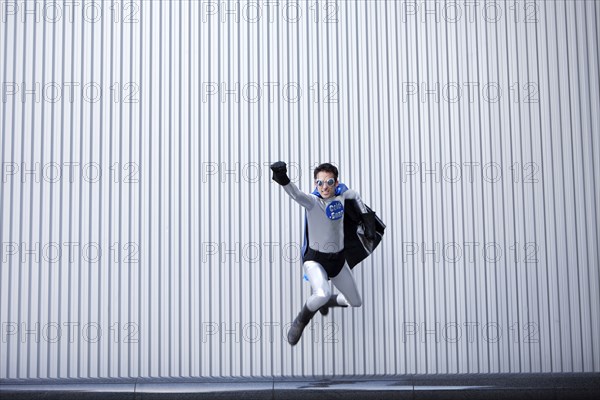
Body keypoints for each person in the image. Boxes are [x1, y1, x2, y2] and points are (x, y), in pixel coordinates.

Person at [270, 161, 381, 345]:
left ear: (336, 183)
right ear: (315, 184)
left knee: (355, 302)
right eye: (319, 183)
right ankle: (301, 320)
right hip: (315, 260)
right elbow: (295, 194)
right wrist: (283, 178)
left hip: (338, 261)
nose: (324, 187)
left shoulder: (343, 195)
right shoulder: (313, 202)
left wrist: (368, 222)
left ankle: (329, 301)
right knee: (321, 293)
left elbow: (356, 197)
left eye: (329, 182)